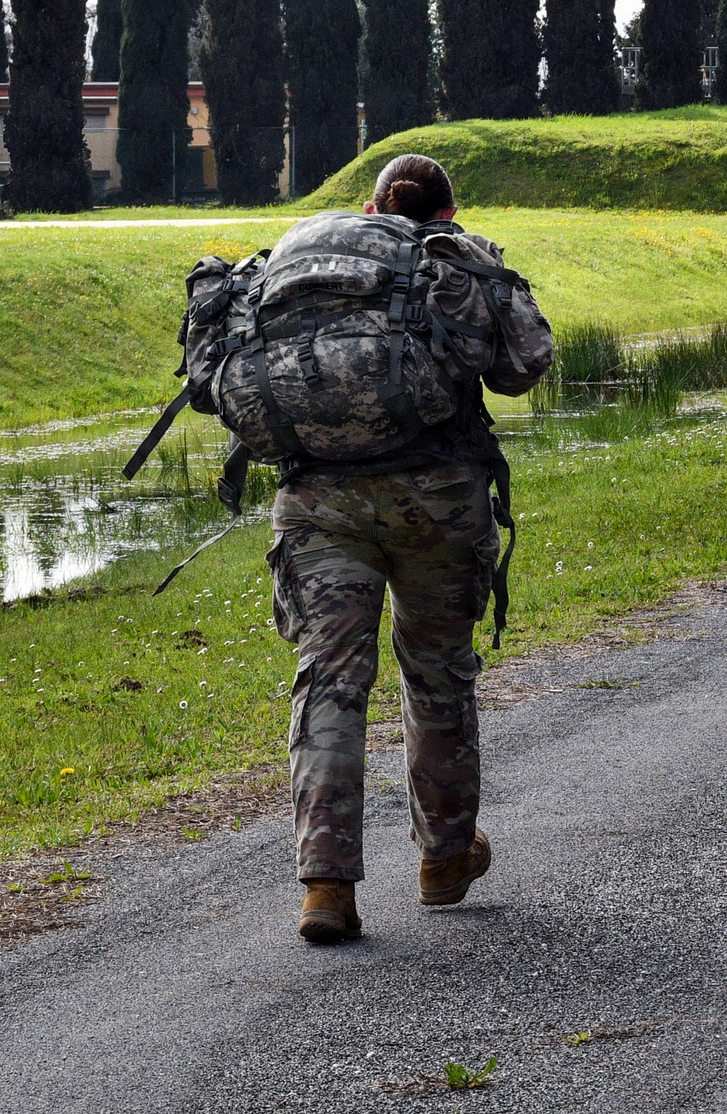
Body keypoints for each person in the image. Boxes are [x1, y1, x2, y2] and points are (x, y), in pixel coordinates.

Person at [265, 154, 552, 943]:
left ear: (369, 207)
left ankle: (326, 888)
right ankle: (444, 860)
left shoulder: (308, 253)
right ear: (448, 216)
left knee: (328, 681)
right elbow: (525, 365)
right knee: (436, 673)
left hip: (317, 504)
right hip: (436, 501)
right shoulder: (452, 258)